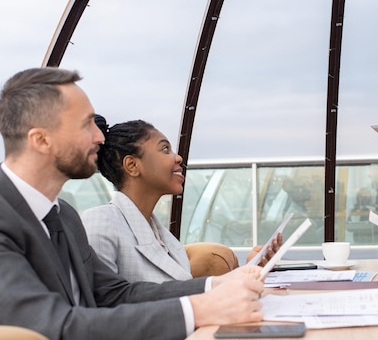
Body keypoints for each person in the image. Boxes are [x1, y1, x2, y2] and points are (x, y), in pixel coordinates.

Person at [0, 67, 264, 340]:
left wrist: (214, 286)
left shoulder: (65, 216)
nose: (100, 136)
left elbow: (117, 294)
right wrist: (198, 310)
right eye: (86, 124)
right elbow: (53, 329)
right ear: (41, 140)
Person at [81, 115, 281, 281]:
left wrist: (252, 269)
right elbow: (99, 309)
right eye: (165, 149)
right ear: (132, 165)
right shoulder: (100, 223)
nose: (178, 158)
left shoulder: (164, 239)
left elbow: (184, 296)